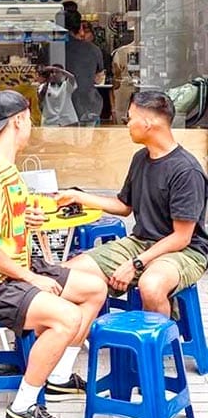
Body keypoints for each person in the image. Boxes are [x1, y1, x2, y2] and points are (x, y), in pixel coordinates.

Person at [0, 90, 107, 418]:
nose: (32, 127)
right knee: (67, 317)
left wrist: (26, 219)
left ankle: (57, 377)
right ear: (19, 120)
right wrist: (30, 278)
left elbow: (2, 223)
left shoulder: (5, 169)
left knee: (95, 289)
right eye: (30, 120)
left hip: (12, 271)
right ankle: (23, 407)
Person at [61, 91, 208, 317]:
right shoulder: (141, 158)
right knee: (68, 273)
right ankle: (76, 337)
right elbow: (124, 205)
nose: (127, 124)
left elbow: (182, 237)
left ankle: (157, 349)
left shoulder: (186, 171)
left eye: (129, 118)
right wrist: (77, 196)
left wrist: (135, 264)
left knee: (151, 285)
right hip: (140, 243)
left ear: (148, 122)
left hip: (185, 251)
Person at [64, 10, 104, 125]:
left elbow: (40, 78)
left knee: (61, 142)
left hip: (58, 109)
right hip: (88, 105)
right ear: (79, 27)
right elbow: (98, 78)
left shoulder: (48, 49)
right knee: (88, 142)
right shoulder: (93, 49)